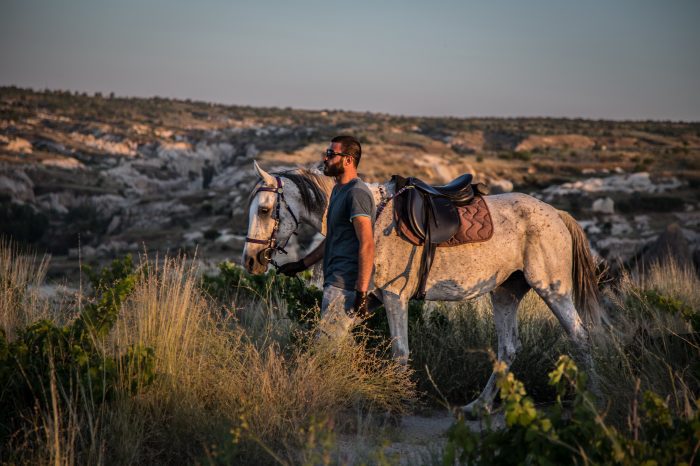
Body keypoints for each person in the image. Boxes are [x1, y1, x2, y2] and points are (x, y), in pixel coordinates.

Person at [278, 135, 376, 331]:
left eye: (331, 154)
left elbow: (367, 244)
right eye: (326, 154)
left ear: (348, 160)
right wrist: (301, 264)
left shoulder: (356, 193)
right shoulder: (340, 190)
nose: (325, 158)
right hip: (334, 281)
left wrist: (361, 293)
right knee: (331, 348)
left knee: (325, 350)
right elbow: (333, 237)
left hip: (345, 285)